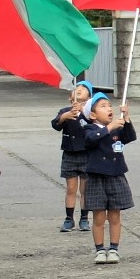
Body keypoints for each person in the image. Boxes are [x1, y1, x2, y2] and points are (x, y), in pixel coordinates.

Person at [80, 92, 136, 263]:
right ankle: (99, 249)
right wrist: (109, 128)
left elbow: (130, 137)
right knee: (98, 216)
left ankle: (113, 248)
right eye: (103, 106)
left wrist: (126, 119)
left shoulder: (117, 128)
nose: (109, 108)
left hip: (115, 175)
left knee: (114, 215)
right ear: (93, 114)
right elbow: (90, 140)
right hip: (97, 177)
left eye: (109, 105)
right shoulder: (90, 129)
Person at [53, 83, 92, 233]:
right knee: (70, 188)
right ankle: (69, 218)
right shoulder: (65, 111)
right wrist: (65, 116)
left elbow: (97, 125)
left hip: (86, 154)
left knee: (85, 189)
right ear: (71, 97)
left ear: (89, 97)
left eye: (83, 89)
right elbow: (56, 124)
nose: (79, 90)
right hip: (70, 153)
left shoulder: (91, 113)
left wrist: (85, 112)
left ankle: (84, 218)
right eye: (76, 89)